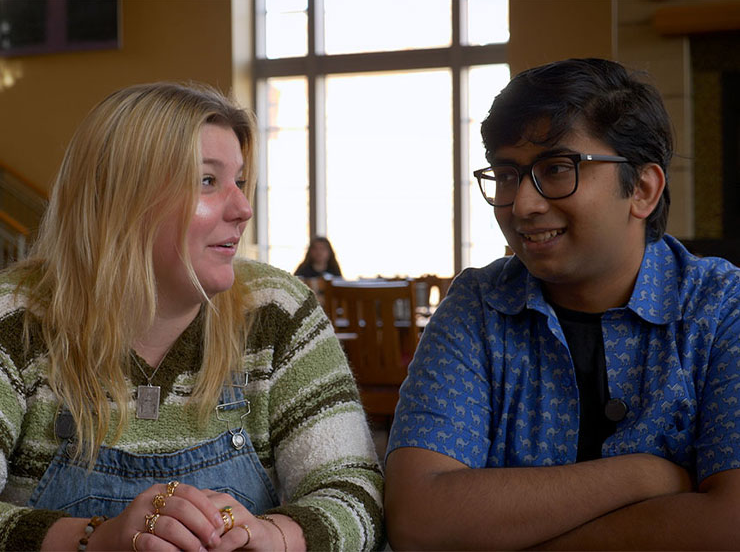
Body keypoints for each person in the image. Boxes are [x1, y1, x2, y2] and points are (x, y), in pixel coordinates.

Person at [0, 82, 383, 551]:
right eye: (207, 181)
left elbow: (358, 491)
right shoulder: (14, 319)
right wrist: (92, 541)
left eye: (239, 181)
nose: (242, 209)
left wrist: (276, 537)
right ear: (122, 197)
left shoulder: (278, 311)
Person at [385, 58, 740, 549]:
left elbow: (729, 524)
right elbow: (419, 519)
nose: (522, 205)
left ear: (642, 189)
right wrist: (643, 476)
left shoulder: (721, 308)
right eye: (507, 174)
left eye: (556, 169)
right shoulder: (479, 306)